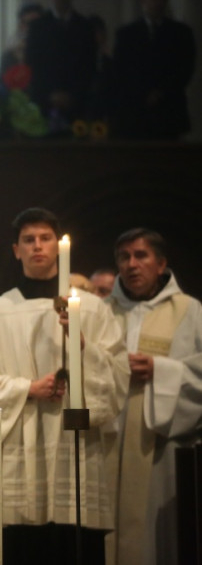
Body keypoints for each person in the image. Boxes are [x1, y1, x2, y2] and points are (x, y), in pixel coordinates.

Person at [0, 207, 127, 565]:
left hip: (76, 445)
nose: (37, 246)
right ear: (16, 250)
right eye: (28, 240)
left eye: (45, 238)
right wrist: (27, 388)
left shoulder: (93, 310)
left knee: (75, 544)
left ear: (58, 246)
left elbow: (117, 379)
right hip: (20, 450)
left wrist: (82, 346)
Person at [105, 228, 202, 565]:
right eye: (124, 257)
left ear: (161, 264)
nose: (131, 264)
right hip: (109, 444)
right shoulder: (101, 311)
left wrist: (160, 370)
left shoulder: (190, 311)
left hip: (161, 450)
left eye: (141, 255)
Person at [112, 0, 196, 139]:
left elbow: (184, 70)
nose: (156, 3)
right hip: (135, 112)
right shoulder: (126, 34)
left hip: (169, 111)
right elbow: (120, 71)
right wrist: (142, 93)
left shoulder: (181, 33)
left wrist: (161, 91)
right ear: (142, 1)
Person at [24, 0, 97, 123]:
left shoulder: (85, 26)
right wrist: (49, 95)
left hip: (78, 107)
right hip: (44, 106)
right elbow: (32, 65)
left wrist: (73, 95)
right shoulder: (37, 26)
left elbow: (90, 66)